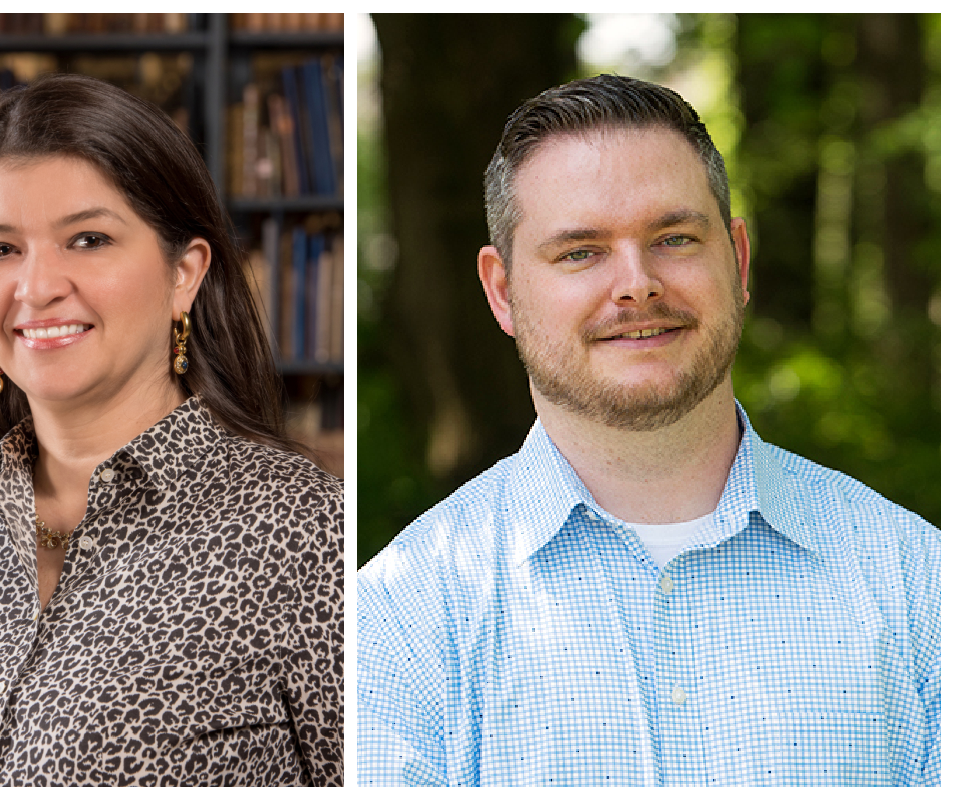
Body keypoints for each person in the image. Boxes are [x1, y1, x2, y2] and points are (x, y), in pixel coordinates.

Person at [356, 74, 940, 786]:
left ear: (739, 260)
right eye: (580, 251)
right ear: (503, 292)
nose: (637, 283)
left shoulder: (915, 580)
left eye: (674, 238)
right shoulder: (401, 619)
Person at [0, 74, 344, 788]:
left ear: (185, 272)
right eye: (1, 249)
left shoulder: (300, 529)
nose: (37, 286)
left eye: (88, 239)